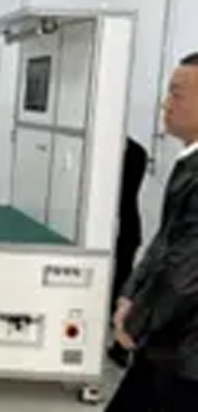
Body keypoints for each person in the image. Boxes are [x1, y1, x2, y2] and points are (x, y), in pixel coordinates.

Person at [107, 52, 198, 412]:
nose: (166, 104)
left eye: (177, 94)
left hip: (186, 355)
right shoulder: (188, 164)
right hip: (167, 344)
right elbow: (164, 243)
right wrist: (130, 294)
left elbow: (185, 273)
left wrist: (134, 322)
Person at [107, 137, 148, 368]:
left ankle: (120, 339)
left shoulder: (127, 152)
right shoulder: (137, 151)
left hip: (122, 227)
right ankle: (119, 339)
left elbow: (122, 193)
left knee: (123, 279)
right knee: (123, 275)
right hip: (127, 226)